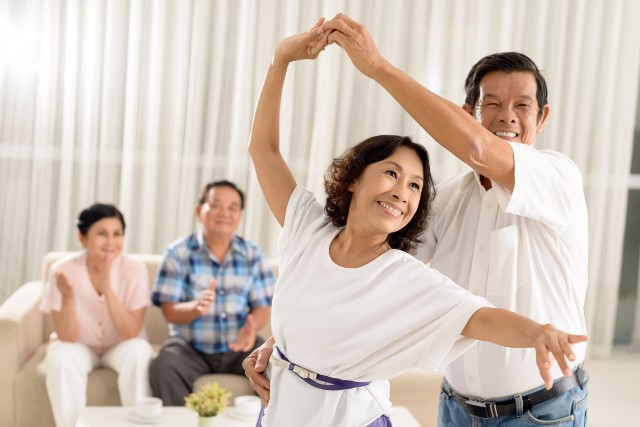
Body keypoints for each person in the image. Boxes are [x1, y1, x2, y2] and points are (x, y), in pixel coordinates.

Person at [243, 19, 587, 427]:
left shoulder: (557, 177)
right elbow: (357, 285)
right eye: (491, 104)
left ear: (542, 116)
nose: (506, 117)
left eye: (522, 105)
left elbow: (478, 150)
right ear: (468, 113)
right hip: (456, 409)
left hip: (539, 411)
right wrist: (288, 345)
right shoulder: (443, 203)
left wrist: (378, 67)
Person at [148, 180, 276, 405]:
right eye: (216, 205)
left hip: (240, 348)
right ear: (200, 211)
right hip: (189, 349)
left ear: (239, 215)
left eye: (232, 207)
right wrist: (194, 308)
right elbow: (169, 311)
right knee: (164, 364)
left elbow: (262, 308)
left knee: (276, 364)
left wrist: (251, 327)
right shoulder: (178, 253)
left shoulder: (253, 255)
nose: (224, 213)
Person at [40, 203, 154, 427]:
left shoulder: (135, 269)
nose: (111, 242)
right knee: (61, 355)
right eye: (102, 234)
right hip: (80, 346)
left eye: (117, 234)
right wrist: (68, 297)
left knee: (139, 351)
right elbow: (67, 336)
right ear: (82, 237)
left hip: (120, 345)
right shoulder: (62, 270)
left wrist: (108, 289)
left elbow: (131, 332)